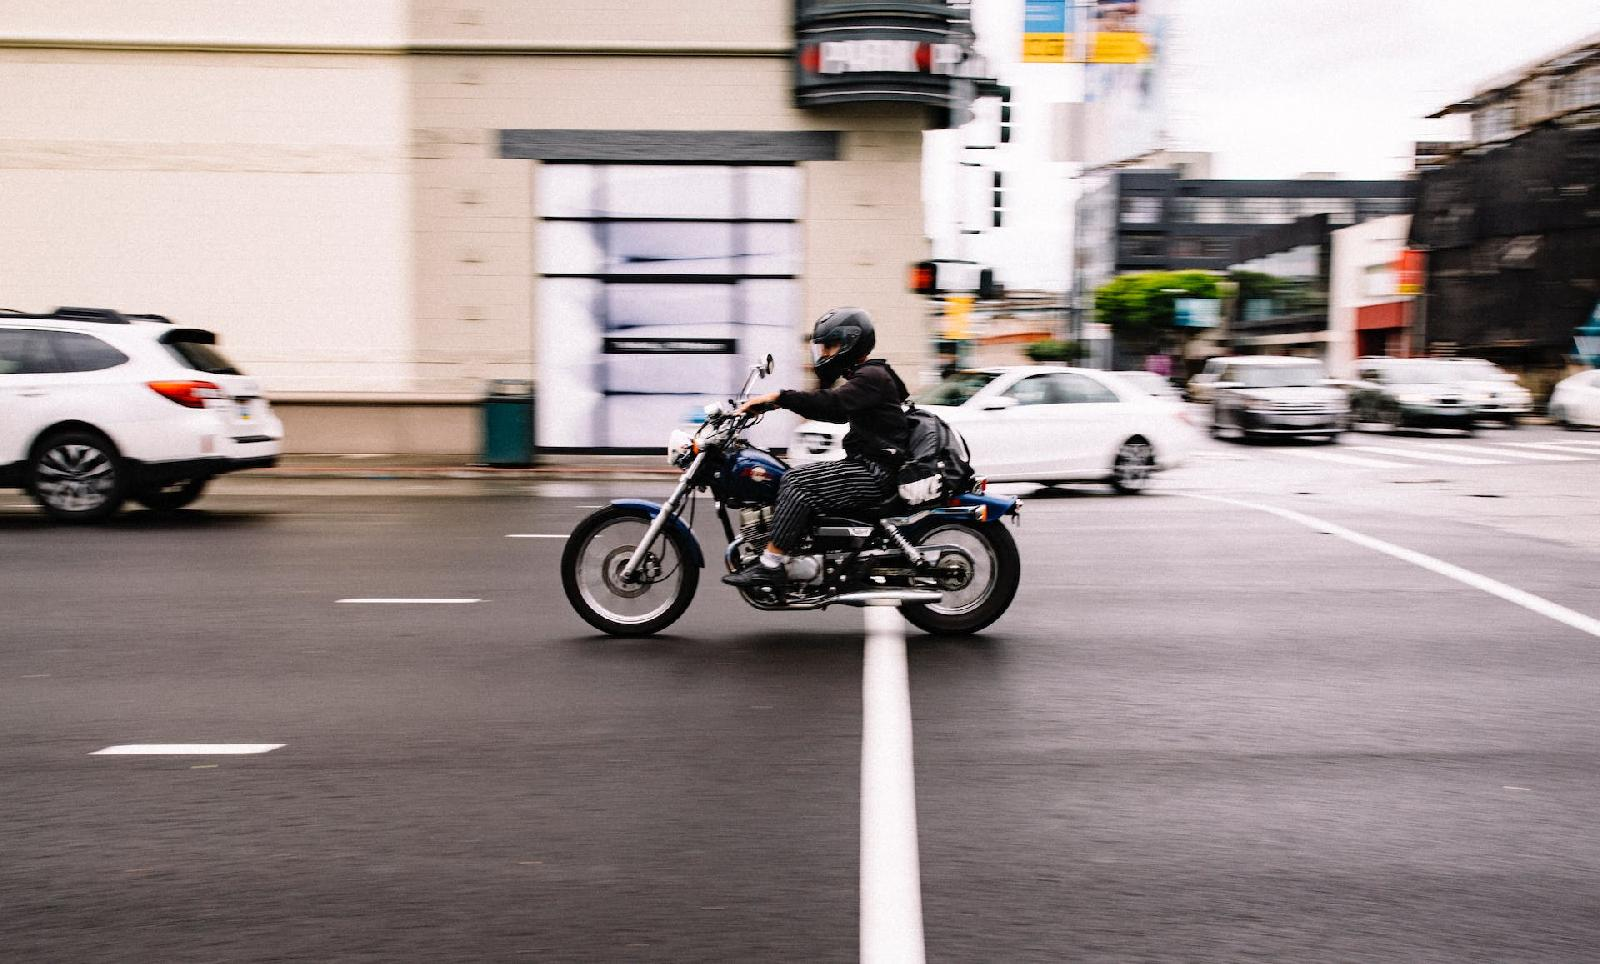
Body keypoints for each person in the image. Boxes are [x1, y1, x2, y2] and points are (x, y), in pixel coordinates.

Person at [723, 307, 910, 589]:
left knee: (796, 482)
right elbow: (836, 411)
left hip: (875, 472)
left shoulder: (872, 377)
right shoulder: (869, 377)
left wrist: (780, 397)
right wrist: (772, 404)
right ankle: (795, 548)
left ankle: (771, 565)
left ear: (850, 342)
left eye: (829, 346)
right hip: (870, 465)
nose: (823, 354)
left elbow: (831, 404)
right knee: (795, 475)